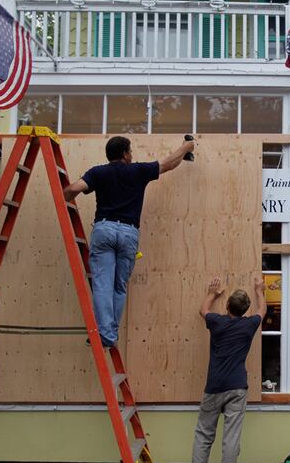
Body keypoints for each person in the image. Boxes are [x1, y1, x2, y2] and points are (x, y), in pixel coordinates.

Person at [62, 136, 194, 349]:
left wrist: (64, 195)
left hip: (104, 230)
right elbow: (170, 163)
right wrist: (187, 146)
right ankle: (109, 334)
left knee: (103, 285)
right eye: (130, 151)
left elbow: (72, 190)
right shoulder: (138, 171)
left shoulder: (98, 172)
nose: (131, 155)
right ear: (124, 153)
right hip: (128, 233)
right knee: (119, 287)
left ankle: (107, 334)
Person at [176, 276, 267, 463]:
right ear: (245, 310)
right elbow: (263, 310)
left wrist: (213, 292)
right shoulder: (249, 324)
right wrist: (259, 290)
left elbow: (203, 310)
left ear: (227, 307)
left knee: (204, 436)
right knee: (231, 440)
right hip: (237, 388)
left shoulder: (217, 322)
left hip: (214, 388)